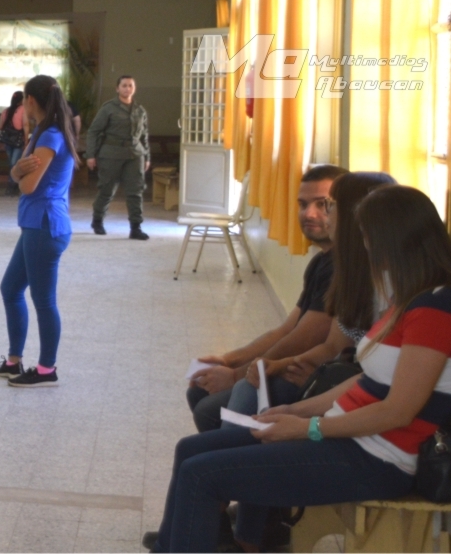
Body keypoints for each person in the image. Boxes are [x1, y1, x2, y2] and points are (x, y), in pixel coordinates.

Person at [148, 185, 451, 553]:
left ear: (392, 239)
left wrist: (309, 428)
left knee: (202, 476)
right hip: (348, 438)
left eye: (368, 237)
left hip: (377, 459)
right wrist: (294, 411)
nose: (365, 246)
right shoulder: (408, 298)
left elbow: (398, 411)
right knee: (190, 451)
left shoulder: (434, 309)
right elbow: (367, 379)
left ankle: (234, 537)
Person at [186, 164, 347, 431]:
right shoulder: (322, 261)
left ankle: (229, 455)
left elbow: (305, 339)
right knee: (200, 391)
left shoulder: (342, 267)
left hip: (312, 377)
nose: (309, 213)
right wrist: (229, 360)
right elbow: (286, 329)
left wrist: (237, 376)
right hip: (293, 366)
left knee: (208, 410)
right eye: (303, 204)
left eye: (323, 204)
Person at [262, 172, 396, 389]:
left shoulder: (391, 283)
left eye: (329, 205)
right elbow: (333, 346)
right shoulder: (348, 271)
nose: (324, 214)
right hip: (343, 378)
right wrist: (276, 365)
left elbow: (385, 376)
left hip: (358, 387)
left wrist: (325, 385)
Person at [0, 75, 80, 388]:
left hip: (46, 226)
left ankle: (46, 369)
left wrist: (17, 173)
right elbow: (18, 172)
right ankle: (13, 361)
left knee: (44, 300)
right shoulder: (44, 132)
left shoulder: (50, 137)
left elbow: (27, 185)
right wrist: (17, 172)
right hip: (35, 224)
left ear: (30, 100)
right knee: (10, 289)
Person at [86, 75, 151, 240]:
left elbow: (144, 136)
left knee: (135, 191)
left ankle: (136, 227)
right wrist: (90, 155)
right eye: (124, 85)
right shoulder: (108, 108)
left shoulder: (140, 110)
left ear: (134, 88)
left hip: (135, 154)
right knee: (107, 189)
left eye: (130, 85)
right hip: (111, 154)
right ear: (117, 88)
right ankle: (97, 220)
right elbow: (93, 131)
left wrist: (147, 157)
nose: (127, 88)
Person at [0, 91, 25, 196]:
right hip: (18, 141)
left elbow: (0, 126)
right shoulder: (23, 109)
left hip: (7, 141)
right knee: (14, 164)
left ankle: (11, 187)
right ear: (21, 100)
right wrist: (26, 141)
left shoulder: (6, 111)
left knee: (11, 163)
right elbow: (26, 125)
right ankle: (12, 186)